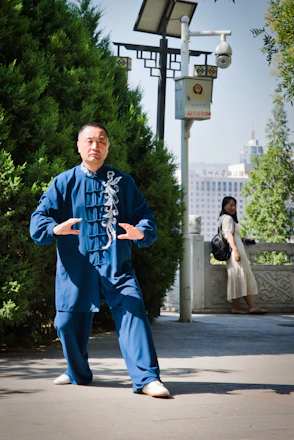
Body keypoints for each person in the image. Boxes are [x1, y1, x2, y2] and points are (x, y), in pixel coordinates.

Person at [30, 122, 170, 398]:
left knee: (134, 310)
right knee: (66, 323)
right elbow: (39, 218)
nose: (96, 146)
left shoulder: (123, 182)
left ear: (108, 147)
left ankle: (147, 378)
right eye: (90, 141)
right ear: (79, 146)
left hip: (116, 265)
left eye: (102, 141)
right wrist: (55, 229)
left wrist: (140, 231)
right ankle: (77, 372)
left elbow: (146, 216)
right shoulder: (63, 182)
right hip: (76, 268)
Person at [219, 196, 268, 315]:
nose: (233, 207)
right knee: (239, 277)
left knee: (240, 278)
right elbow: (228, 236)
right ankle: (240, 307)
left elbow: (232, 236)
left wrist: (242, 240)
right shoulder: (227, 218)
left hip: (237, 249)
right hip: (235, 252)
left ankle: (250, 306)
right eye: (230, 205)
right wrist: (236, 251)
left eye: (235, 205)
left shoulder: (225, 219)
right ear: (224, 206)